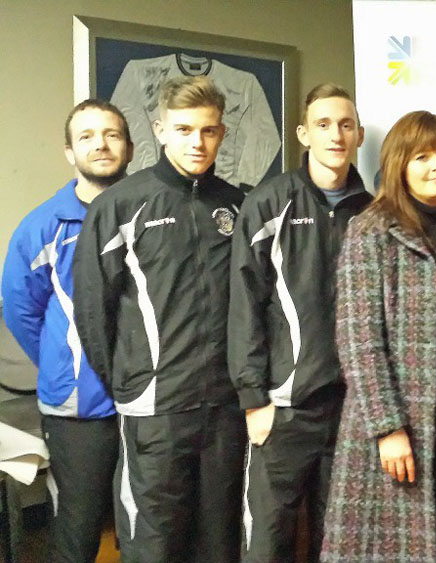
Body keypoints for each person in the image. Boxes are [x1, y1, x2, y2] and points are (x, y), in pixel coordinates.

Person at [72, 76, 245, 563]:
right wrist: (130, 382)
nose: (197, 142)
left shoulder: (236, 205)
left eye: (208, 131)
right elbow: (93, 310)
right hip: (155, 408)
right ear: (160, 130)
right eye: (185, 129)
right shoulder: (118, 206)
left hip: (226, 407)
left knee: (219, 540)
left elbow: (255, 305)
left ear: (222, 134)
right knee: (154, 541)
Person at [321, 111, 436, 563]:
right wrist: (387, 428)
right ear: (399, 164)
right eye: (421, 156)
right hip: (403, 430)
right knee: (389, 551)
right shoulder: (373, 231)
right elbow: (359, 339)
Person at [229, 83, 371, 563]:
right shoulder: (270, 203)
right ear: (303, 133)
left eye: (346, 125)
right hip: (282, 408)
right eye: (324, 125)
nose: (336, 135)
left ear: (360, 135)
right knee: (268, 544)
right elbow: (245, 304)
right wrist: (253, 400)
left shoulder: (373, 214)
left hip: (351, 411)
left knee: (337, 543)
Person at [2, 99, 131, 562]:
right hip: (79, 405)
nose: (100, 144)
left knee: (145, 521)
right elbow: (21, 310)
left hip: (152, 401)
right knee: (78, 525)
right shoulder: (43, 226)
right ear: (69, 152)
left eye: (112, 134)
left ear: (131, 147)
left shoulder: (151, 215)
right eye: (87, 136)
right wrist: (63, 360)